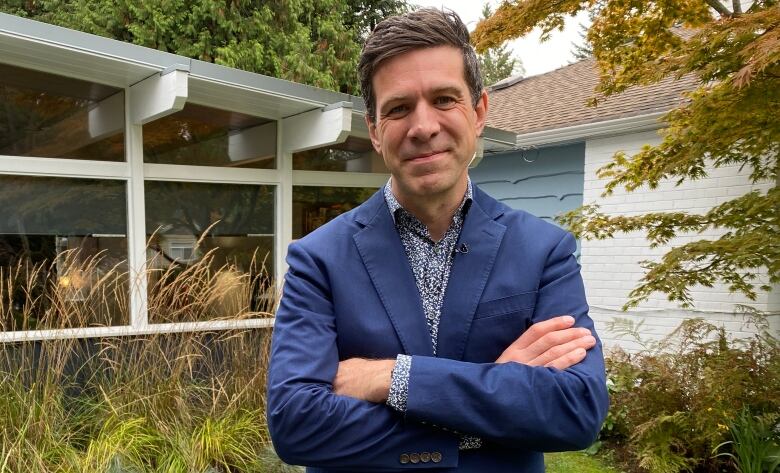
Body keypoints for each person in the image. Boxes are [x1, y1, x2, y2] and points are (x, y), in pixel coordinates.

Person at [267, 8, 609, 472]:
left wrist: (391, 377)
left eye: (445, 99)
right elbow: (296, 425)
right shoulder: (319, 259)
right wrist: (496, 393)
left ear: (479, 111)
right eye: (399, 108)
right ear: (374, 130)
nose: (423, 126)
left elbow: (576, 410)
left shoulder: (544, 251)